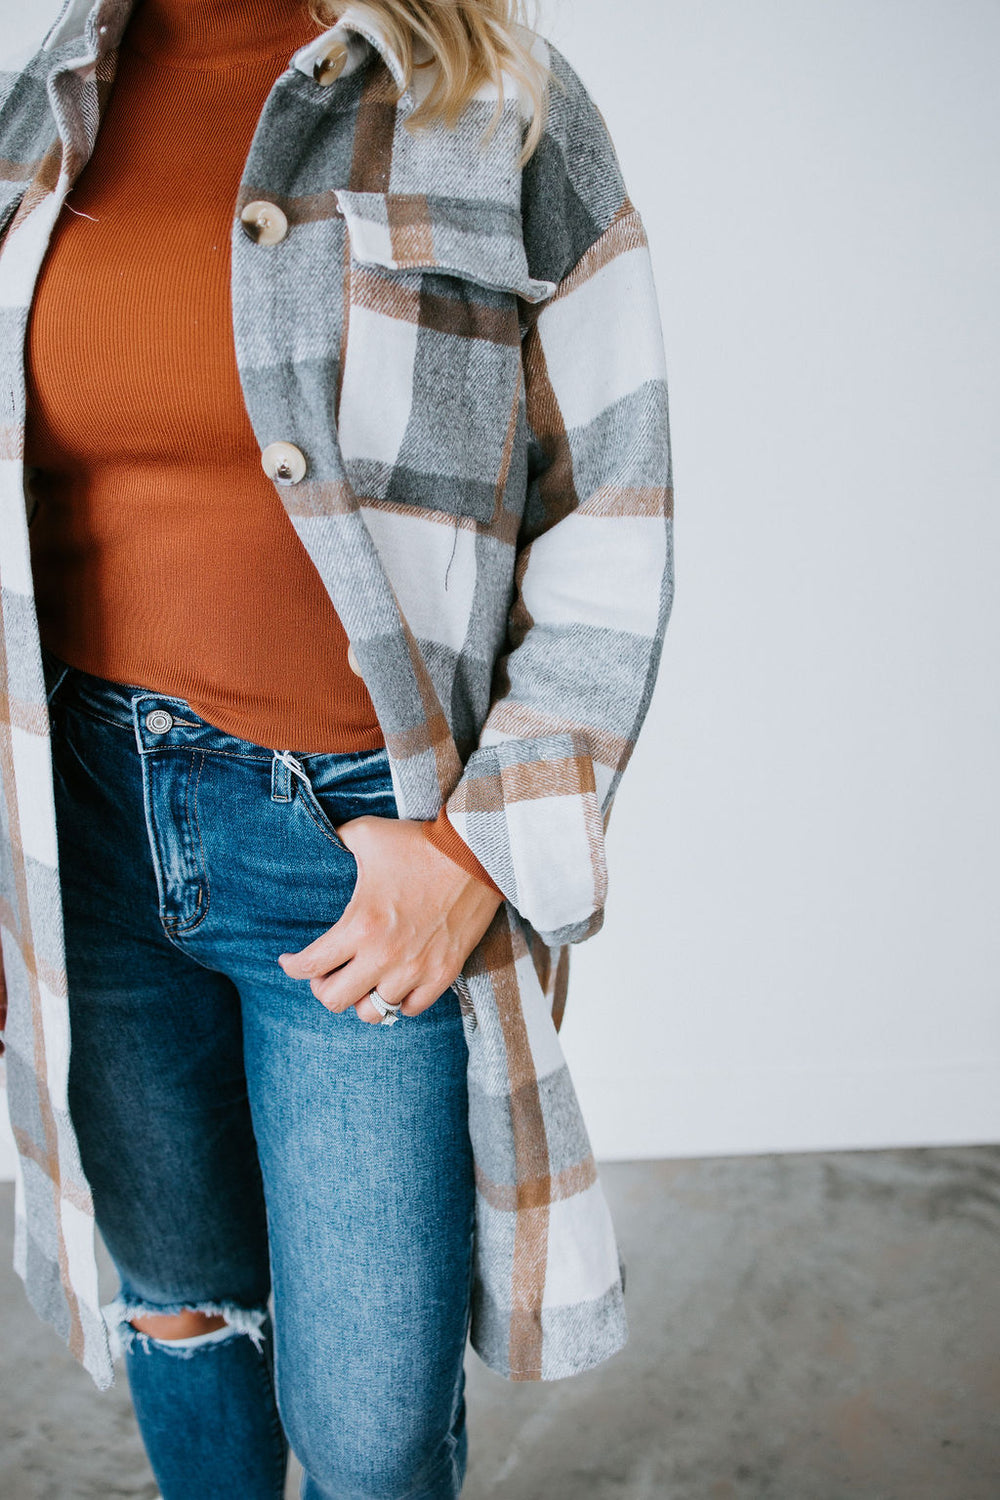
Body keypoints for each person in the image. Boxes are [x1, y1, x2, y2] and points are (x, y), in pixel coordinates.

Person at [0, 0, 674, 1495]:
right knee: (179, 1309)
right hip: (81, 832)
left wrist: (477, 851)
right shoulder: (44, 100)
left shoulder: (497, 101)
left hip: (356, 862)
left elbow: (613, 510)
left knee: (371, 1428)